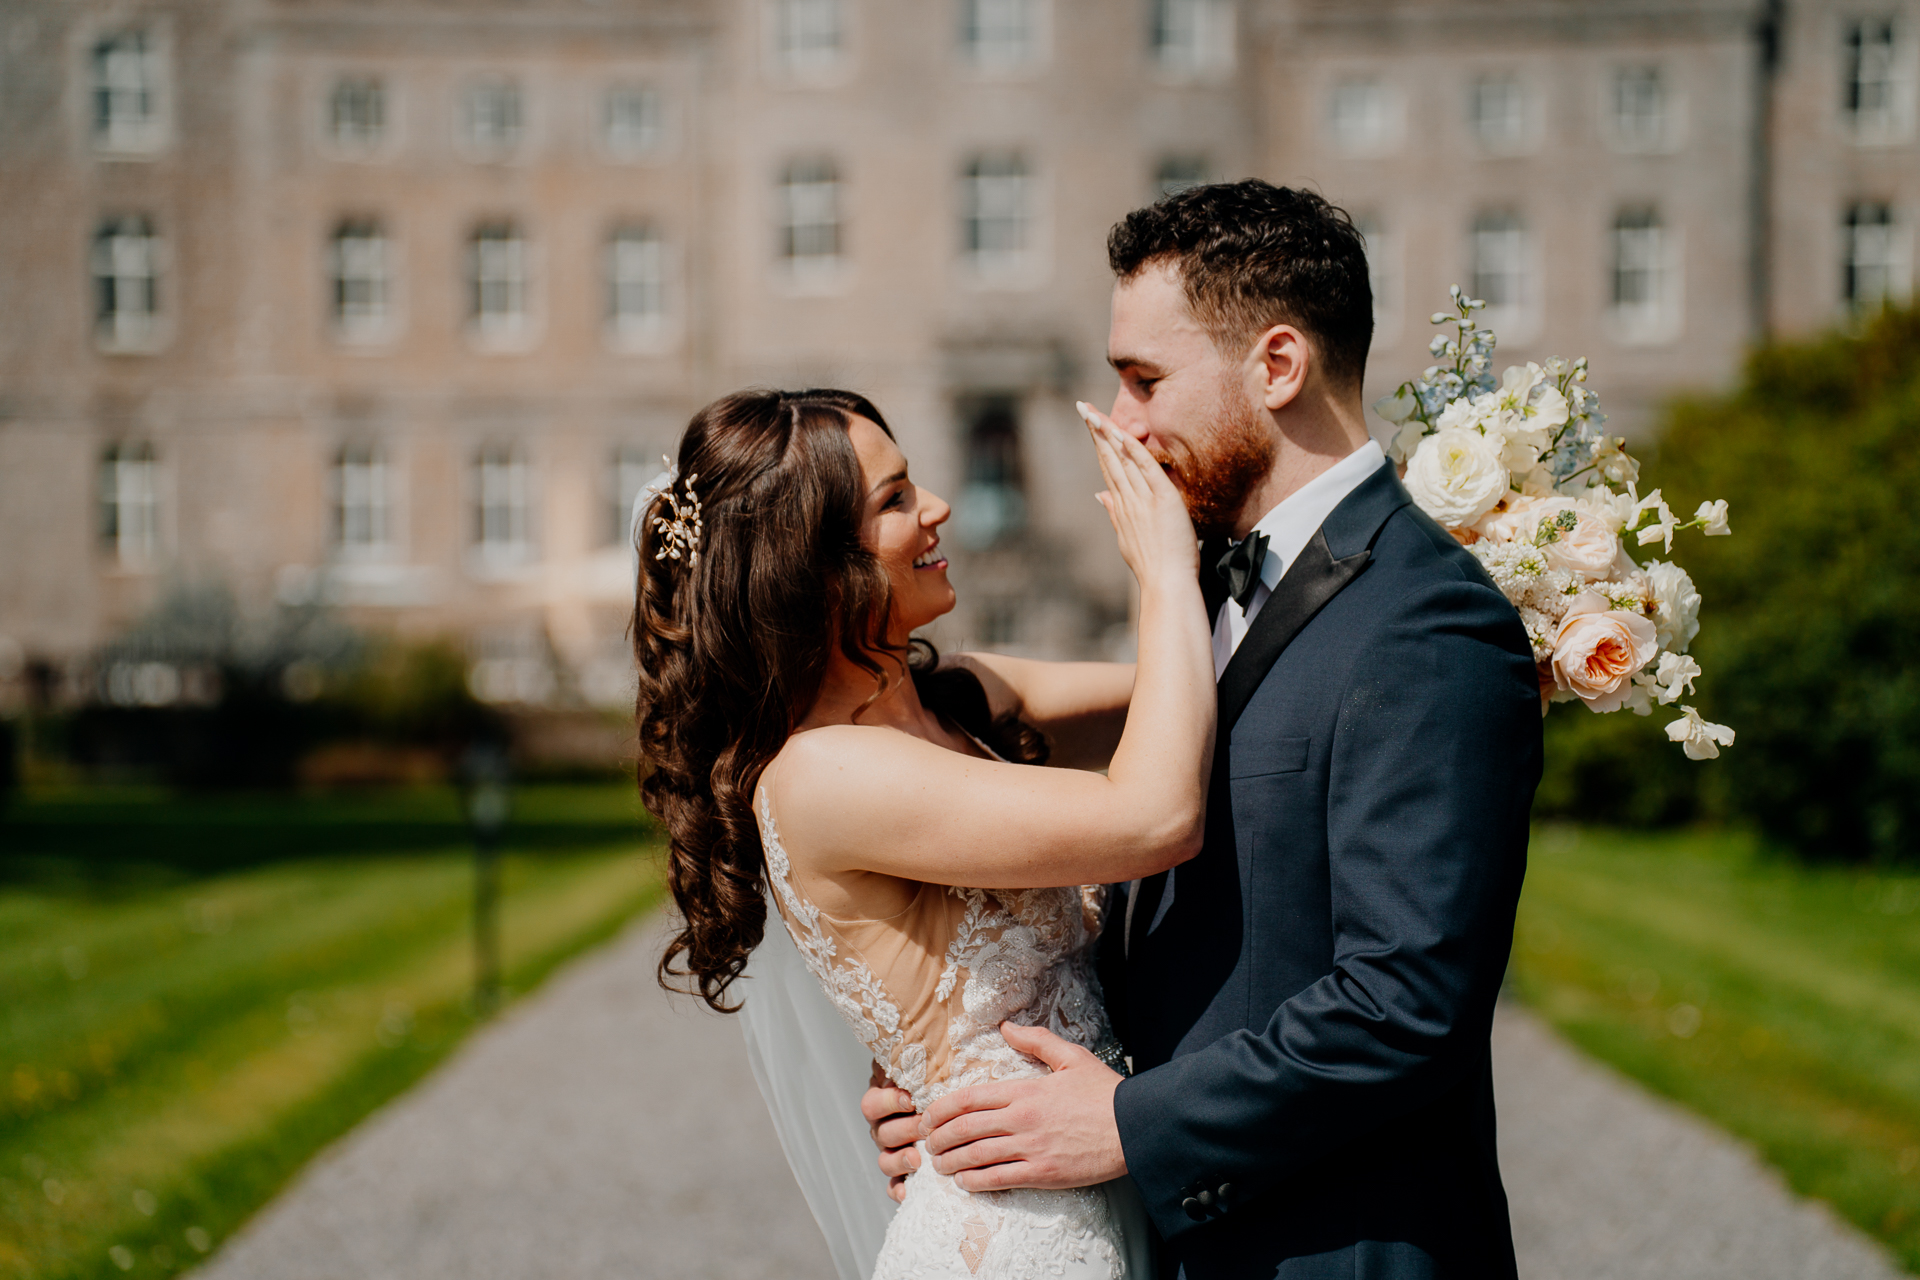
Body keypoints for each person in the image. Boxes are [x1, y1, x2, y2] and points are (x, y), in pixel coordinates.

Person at [861, 181, 1544, 1278]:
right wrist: (965, 1088)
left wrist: (1132, 1125)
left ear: (1278, 366)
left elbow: (1408, 1000)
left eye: (1145, 381)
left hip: (1336, 1249)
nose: (1121, 422)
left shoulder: (1426, 622)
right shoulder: (1213, 588)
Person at [632, 386, 1216, 1278]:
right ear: (814, 566)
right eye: (896, 499)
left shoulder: (964, 699)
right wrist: (1165, 571)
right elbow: (1156, 816)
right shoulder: (823, 773)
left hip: (1101, 1180)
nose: (938, 509)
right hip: (1012, 1239)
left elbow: (1192, 694)